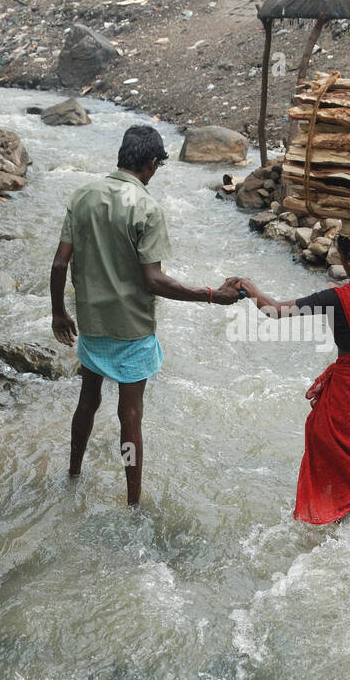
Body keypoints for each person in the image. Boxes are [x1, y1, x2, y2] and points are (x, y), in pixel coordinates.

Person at [50, 124, 240, 506]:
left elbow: (59, 264)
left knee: (87, 402)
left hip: (92, 322)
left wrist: (58, 313)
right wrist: (210, 295)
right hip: (132, 328)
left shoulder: (82, 195)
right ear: (152, 163)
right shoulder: (147, 208)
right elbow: (153, 280)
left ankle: (73, 471)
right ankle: (132, 498)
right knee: (130, 417)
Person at [230, 228, 350, 526]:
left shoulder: (335, 297)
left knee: (331, 454)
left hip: (346, 399)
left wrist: (250, 288)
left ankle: (335, 513)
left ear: (347, 259)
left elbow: (274, 311)